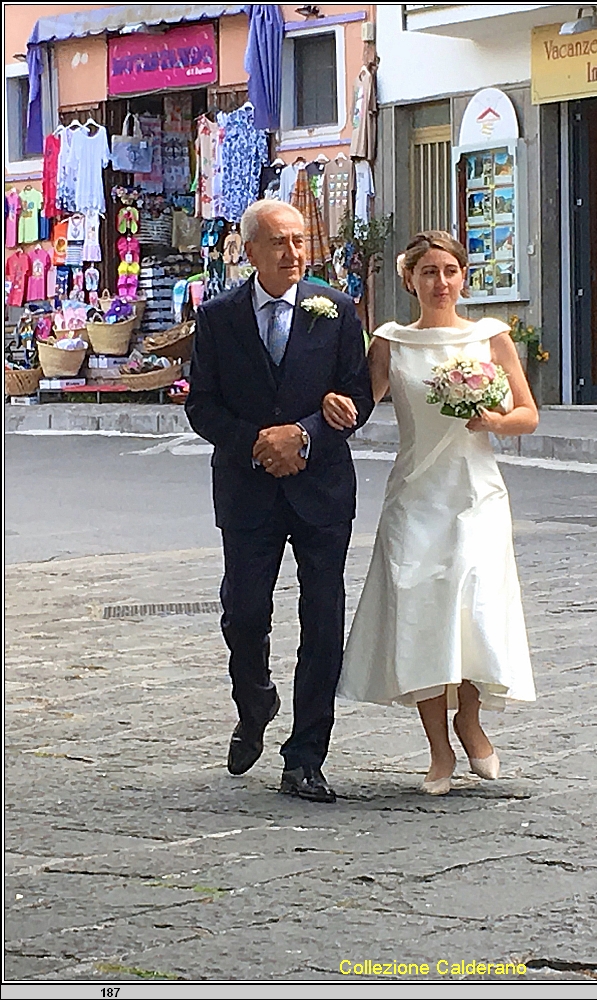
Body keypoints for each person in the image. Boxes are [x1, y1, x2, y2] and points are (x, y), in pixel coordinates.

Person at [323, 231, 538, 795]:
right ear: (410, 280)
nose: (440, 282)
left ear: (463, 276)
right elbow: (363, 404)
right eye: (428, 273)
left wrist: (492, 420)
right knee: (420, 608)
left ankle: (469, 718)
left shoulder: (491, 338)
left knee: (469, 605)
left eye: (449, 271)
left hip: (474, 492)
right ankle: (437, 749)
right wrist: (329, 406)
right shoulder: (391, 342)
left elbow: (527, 415)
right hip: (415, 494)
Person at [185, 200, 374, 803]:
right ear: (249, 252)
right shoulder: (218, 318)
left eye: (299, 242)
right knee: (244, 612)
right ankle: (255, 699)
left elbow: (357, 397)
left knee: (322, 621)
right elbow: (202, 406)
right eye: (278, 244)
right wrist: (259, 442)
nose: (294, 254)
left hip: (320, 490)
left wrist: (308, 434)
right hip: (247, 489)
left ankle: (306, 755)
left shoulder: (337, 311)